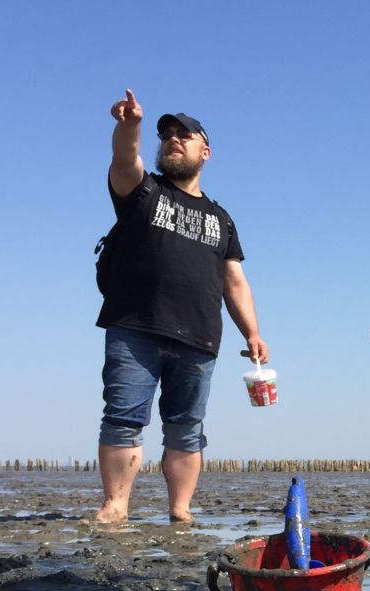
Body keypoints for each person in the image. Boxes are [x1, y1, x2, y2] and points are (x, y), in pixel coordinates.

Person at [94, 89, 268, 524]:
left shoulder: (222, 217)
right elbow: (124, 160)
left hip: (199, 336)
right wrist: (129, 125)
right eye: (167, 133)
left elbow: (234, 280)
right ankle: (116, 506)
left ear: (204, 151)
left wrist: (253, 333)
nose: (173, 138)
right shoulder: (143, 191)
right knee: (122, 418)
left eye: (184, 134)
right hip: (135, 326)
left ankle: (180, 510)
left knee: (187, 428)